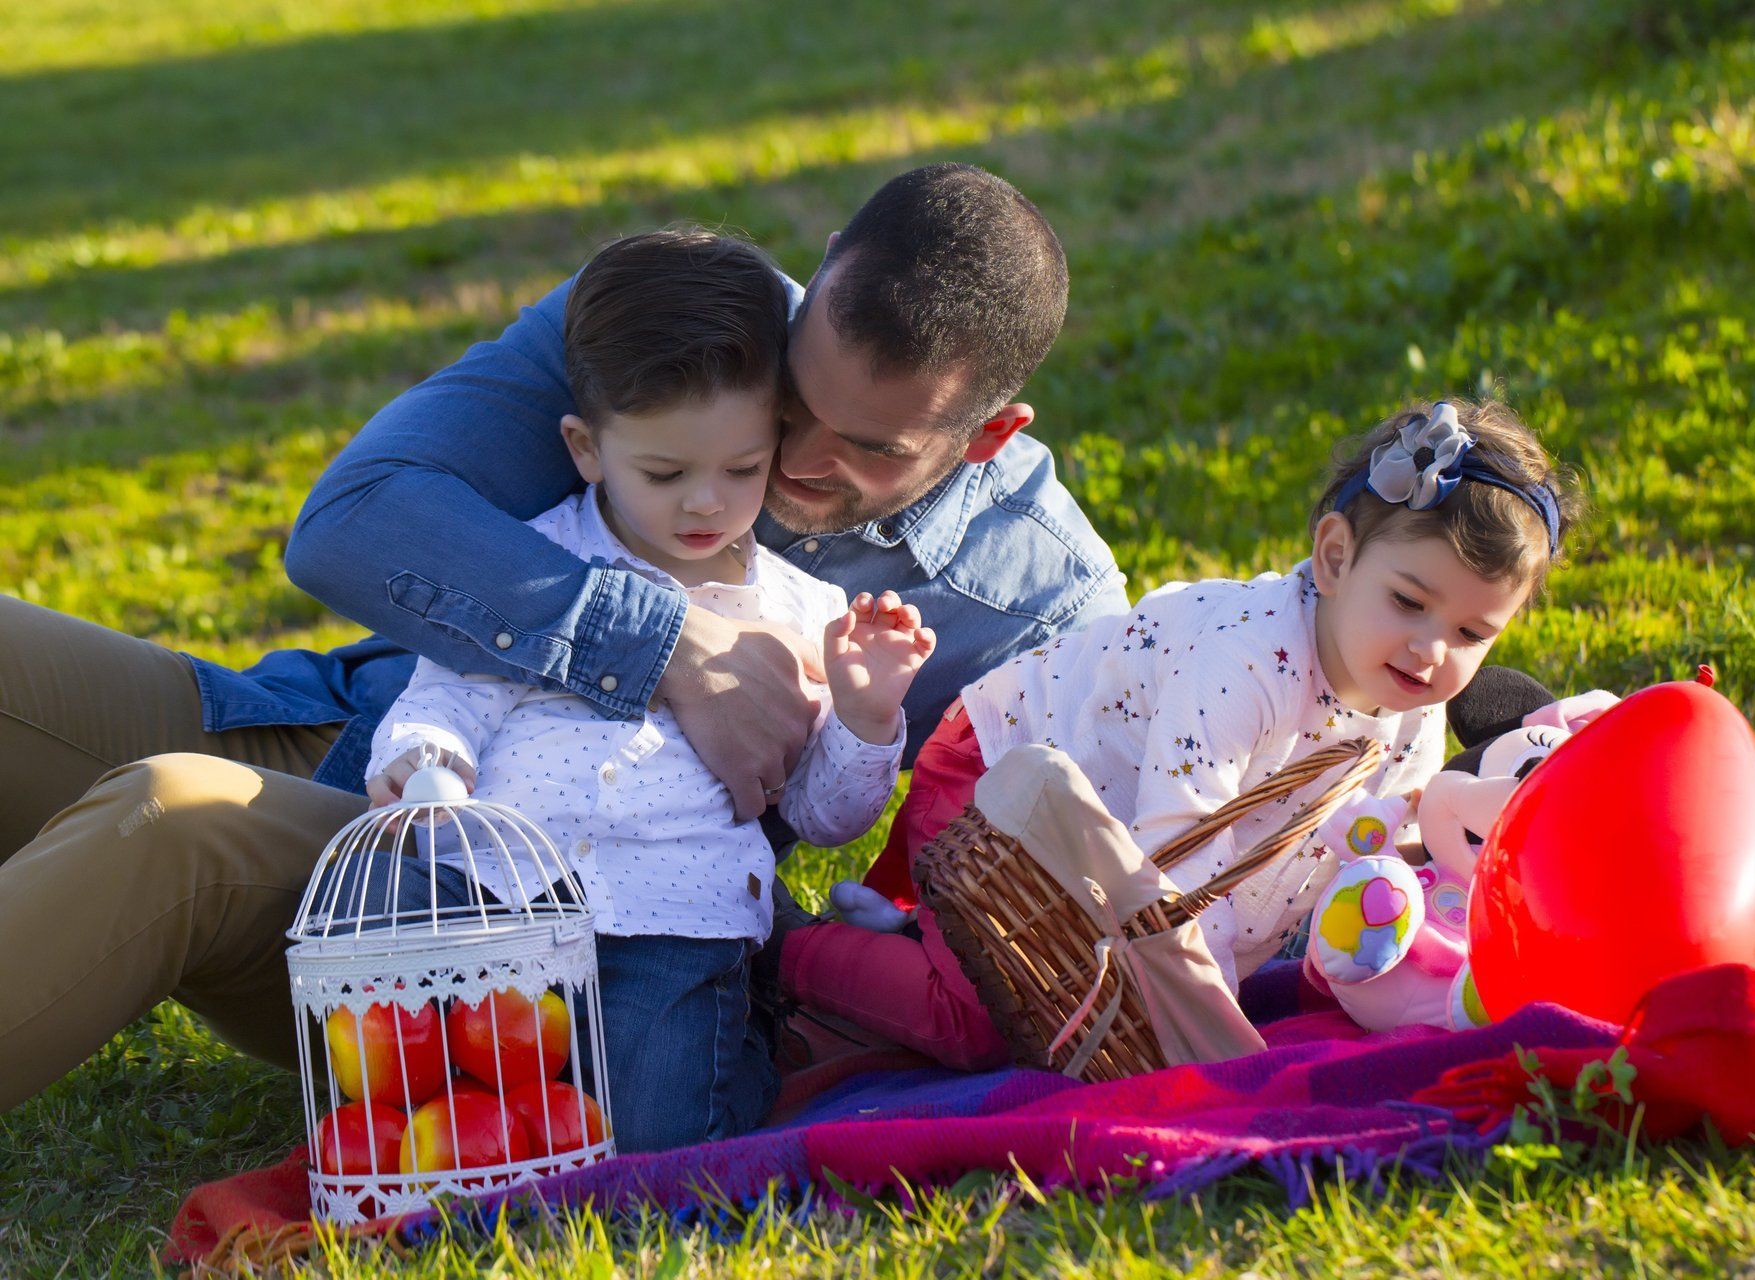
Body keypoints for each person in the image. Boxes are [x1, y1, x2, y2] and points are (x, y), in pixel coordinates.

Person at [0, 162, 1126, 1112]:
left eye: (868, 447)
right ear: (822, 270)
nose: (792, 453)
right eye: (797, 392)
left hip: (461, 903)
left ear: (990, 437)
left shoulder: (1047, 614)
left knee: (170, 821)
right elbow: (349, 520)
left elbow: (1096, 917)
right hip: (328, 726)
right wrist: (670, 647)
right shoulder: (669, 325)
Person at [780, 399, 1584, 1069]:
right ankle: (788, 951)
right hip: (1002, 776)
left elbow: (1372, 846)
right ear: (1334, 559)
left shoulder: (1412, 704)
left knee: (1066, 994)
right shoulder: (1246, 659)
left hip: (1107, 832)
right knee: (993, 1022)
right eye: (1408, 602)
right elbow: (1175, 865)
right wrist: (1217, 1047)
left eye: (1474, 632)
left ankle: (907, 935)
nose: (1431, 649)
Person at [352, 229, 932, 1150]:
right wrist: (428, 764)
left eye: (742, 470)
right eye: (664, 474)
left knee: (661, 1129)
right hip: (502, 887)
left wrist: (864, 718)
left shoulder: (798, 611)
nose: (706, 503)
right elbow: (452, 689)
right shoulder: (541, 561)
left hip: (673, 922)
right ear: (586, 449)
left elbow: (824, 816)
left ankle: (752, 1024)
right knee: (429, 1016)